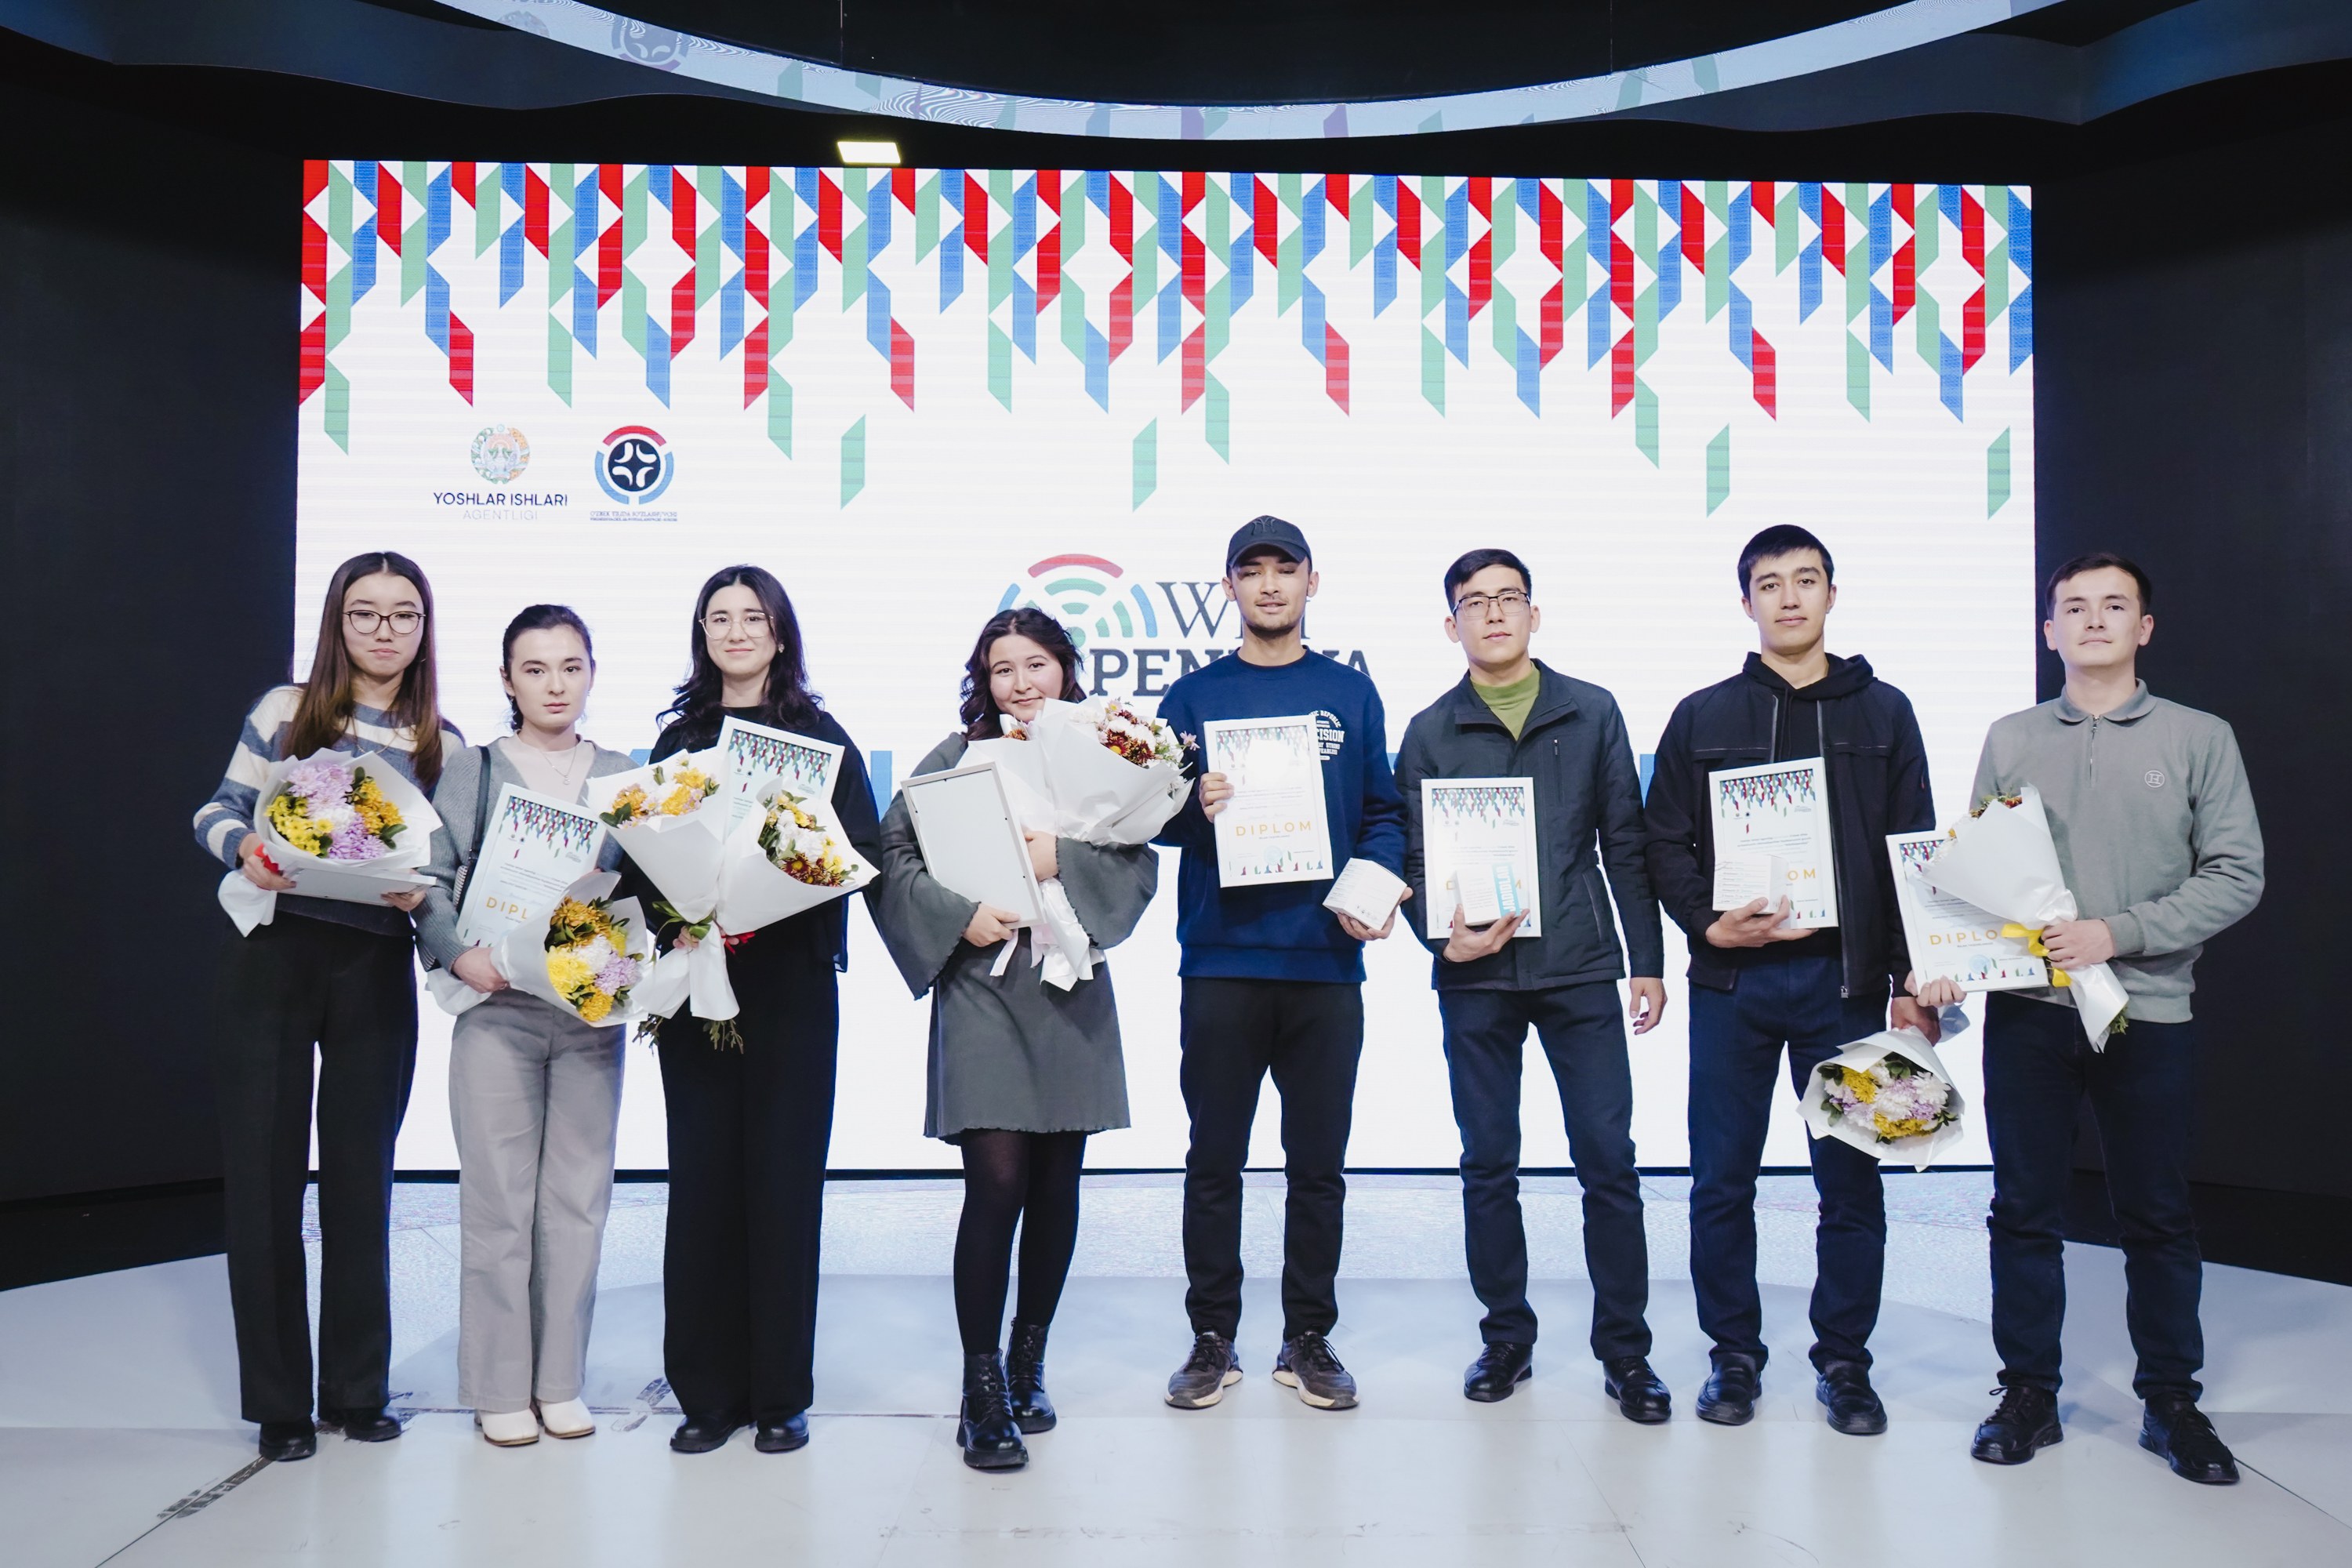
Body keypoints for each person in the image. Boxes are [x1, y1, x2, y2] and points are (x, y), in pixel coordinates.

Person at [1926, 554, 2263, 1484]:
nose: (2094, 619)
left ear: (2145, 626)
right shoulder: (2011, 736)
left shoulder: (2202, 737)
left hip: (2148, 1011)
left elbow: (2238, 872)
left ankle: (2172, 1401)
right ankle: (2028, 1390)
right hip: (2029, 1013)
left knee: (2155, 1210)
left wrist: (2117, 931)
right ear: (2049, 631)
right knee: (2024, 1207)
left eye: (2115, 605)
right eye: (2074, 607)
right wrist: (1952, 964)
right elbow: (1976, 873)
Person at [1642, 525, 1940, 1436]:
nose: (1788, 598)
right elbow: (1663, 839)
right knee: (1720, 1181)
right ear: (1746, 603)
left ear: (1831, 593)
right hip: (1733, 985)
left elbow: (1912, 848)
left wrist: (1910, 980)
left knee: (1852, 1182)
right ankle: (1733, 1355)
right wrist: (1705, 919)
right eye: (1768, 584)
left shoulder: (1885, 712)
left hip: (1847, 987)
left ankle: (1845, 1361)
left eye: (1805, 580)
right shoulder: (1702, 714)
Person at [873, 609, 1160, 1471]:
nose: (1021, 682)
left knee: (1057, 1181)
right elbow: (893, 856)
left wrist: (1057, 855)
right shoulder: (953, 762)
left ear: (1068, 671)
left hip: (1069, 984)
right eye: (1002, 668)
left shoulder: (1113, 762)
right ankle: (981, 1383)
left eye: (1036, 663)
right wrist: (960, 918)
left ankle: (1030, 1357)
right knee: (996, 1181)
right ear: (983, 680)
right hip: (983, 986)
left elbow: (1138, 857)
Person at [194, 550, 461, 1463]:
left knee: (361, 1184)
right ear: (337, 621)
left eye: (403, 614)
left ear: (424, 629)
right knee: (265, 1183)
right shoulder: (285, 710)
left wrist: (420, 894)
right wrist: (245, 852)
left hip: (374, 965)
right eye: (365, 612)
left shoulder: (444, 742)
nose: (384, 630)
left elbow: (447, 871)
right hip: (272, 954)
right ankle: (279, 1402)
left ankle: (355, 1388)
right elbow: (215, 810)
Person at [1395, 548, 1673, 1419]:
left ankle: (1627, 1352)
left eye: (1509, 598)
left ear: (1534, 613)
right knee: (1488, 1164)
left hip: (1580, 967)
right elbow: (1410, 857)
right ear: (1452, 625)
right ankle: (1505, 1337)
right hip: (1476, 977)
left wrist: (1648, 960)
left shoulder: (1590, 711)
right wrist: (1445, 940)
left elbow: (1624, 842)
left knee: (1609, 1162)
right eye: (1475, 603)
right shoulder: (1430, 729)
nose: (1494, 613)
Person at [1153, 516, 1408, 1413]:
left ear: (1311, 581)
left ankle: (1308, 1335)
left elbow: (1384, 811)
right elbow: (1145, 815)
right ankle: (1211, 1334)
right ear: (1227, 586)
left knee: (1318, 1163)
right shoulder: (1191, 697)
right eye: (1250, 571)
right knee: (1213, 1157)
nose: (1269, 585)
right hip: (1220, 955)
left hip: (1325, 961)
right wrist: (1194, 805)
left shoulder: (1350, 693)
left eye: (1284, 570)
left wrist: (1373, 891)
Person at [636, 564, 883, 1457]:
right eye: (718, 617)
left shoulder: (822, 738)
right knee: (701, 1184)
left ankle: (781, 1394)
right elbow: (641, 854)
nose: (735, 631)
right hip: (698, 982)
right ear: (702, 634)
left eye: (753, 616)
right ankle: (707, 1392)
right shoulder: (679, 736)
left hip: (791, 986)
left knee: (783, 1187)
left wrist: (784, 876)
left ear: (781, 633)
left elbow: (859, 851)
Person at [414, 605, 640, 1448]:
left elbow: (642, 889)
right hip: (496, 1008)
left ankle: (560, 1381)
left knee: (577, 1201)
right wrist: (456, 953)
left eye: (571, 666)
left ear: (591, 672)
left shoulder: (621, 772)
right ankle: (500, 1385)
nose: (555, 683)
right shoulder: (474, 766)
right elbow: (430, 878)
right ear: (507, 679)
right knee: (499, 1203)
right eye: (536, 668)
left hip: (587, 1013)